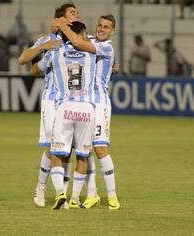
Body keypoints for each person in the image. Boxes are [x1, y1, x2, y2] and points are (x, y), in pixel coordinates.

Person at [55, 14, 121, 210]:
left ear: (113, 31)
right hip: (85, 104)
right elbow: (75, 40)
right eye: (99, 25)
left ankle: (113, 197)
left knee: (100, 149)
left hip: (99, 103)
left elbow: (77, 42)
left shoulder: (107, 47)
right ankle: (91, 194)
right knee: (85, 149)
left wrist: (62, 25)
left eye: (106, 27)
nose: (101, 29)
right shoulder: (89, 39)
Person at [18, 3, 79, 208]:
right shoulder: (49, 40)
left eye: (76, 12)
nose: (76, 15)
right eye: (72, 13)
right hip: (52, 100)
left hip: (74, 101)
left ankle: (61, 192)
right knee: (54, 149)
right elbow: (24, 61)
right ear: (60, 19)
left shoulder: (79, 37)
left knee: (67, 150)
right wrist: (44, 45)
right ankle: (45, 189)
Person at [32, 21, 96, 209]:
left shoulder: (55, 52)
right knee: (83, 156)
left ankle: (61, 193)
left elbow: (36, 68)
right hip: (86, 108)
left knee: (57, 153)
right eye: (85, 33)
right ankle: (75, 198)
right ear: (81, 34)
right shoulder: (92, 52)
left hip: (64, 107)